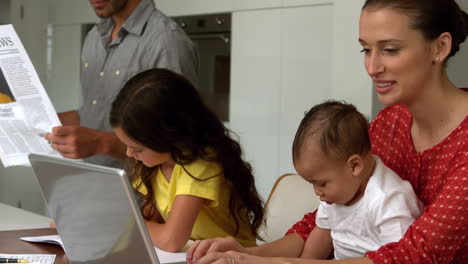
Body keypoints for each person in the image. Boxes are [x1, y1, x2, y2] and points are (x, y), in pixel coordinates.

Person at [187, 0, 468, 263]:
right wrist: (249, 253)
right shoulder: (388, 124)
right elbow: (330, 216)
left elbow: (413, 256)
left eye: (390, 50)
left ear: (439, 48)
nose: (372, 67)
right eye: (366, 50)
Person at [109, 68, 265, 252]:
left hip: (232, 259)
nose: (128, 154)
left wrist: (139, 225)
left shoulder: (201, 163)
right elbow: (153, 220)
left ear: (169, 136)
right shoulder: (154, 164)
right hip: (192, 255)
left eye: (137, 149)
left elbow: (171, 240)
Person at [45, 0, 198, 168]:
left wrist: (100, 143)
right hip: (93, 179)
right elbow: (94, 112)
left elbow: (180, 139)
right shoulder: (94, 36)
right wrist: (44, 121)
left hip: (141, 189)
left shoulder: (167, 40)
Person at [292, 101, 421, 260]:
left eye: (322, 183)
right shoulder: (335, 196)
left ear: (354, 166)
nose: (317, 192)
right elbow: (322, 233)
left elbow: (400, 257)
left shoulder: (388, 200)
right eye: (312, 183)